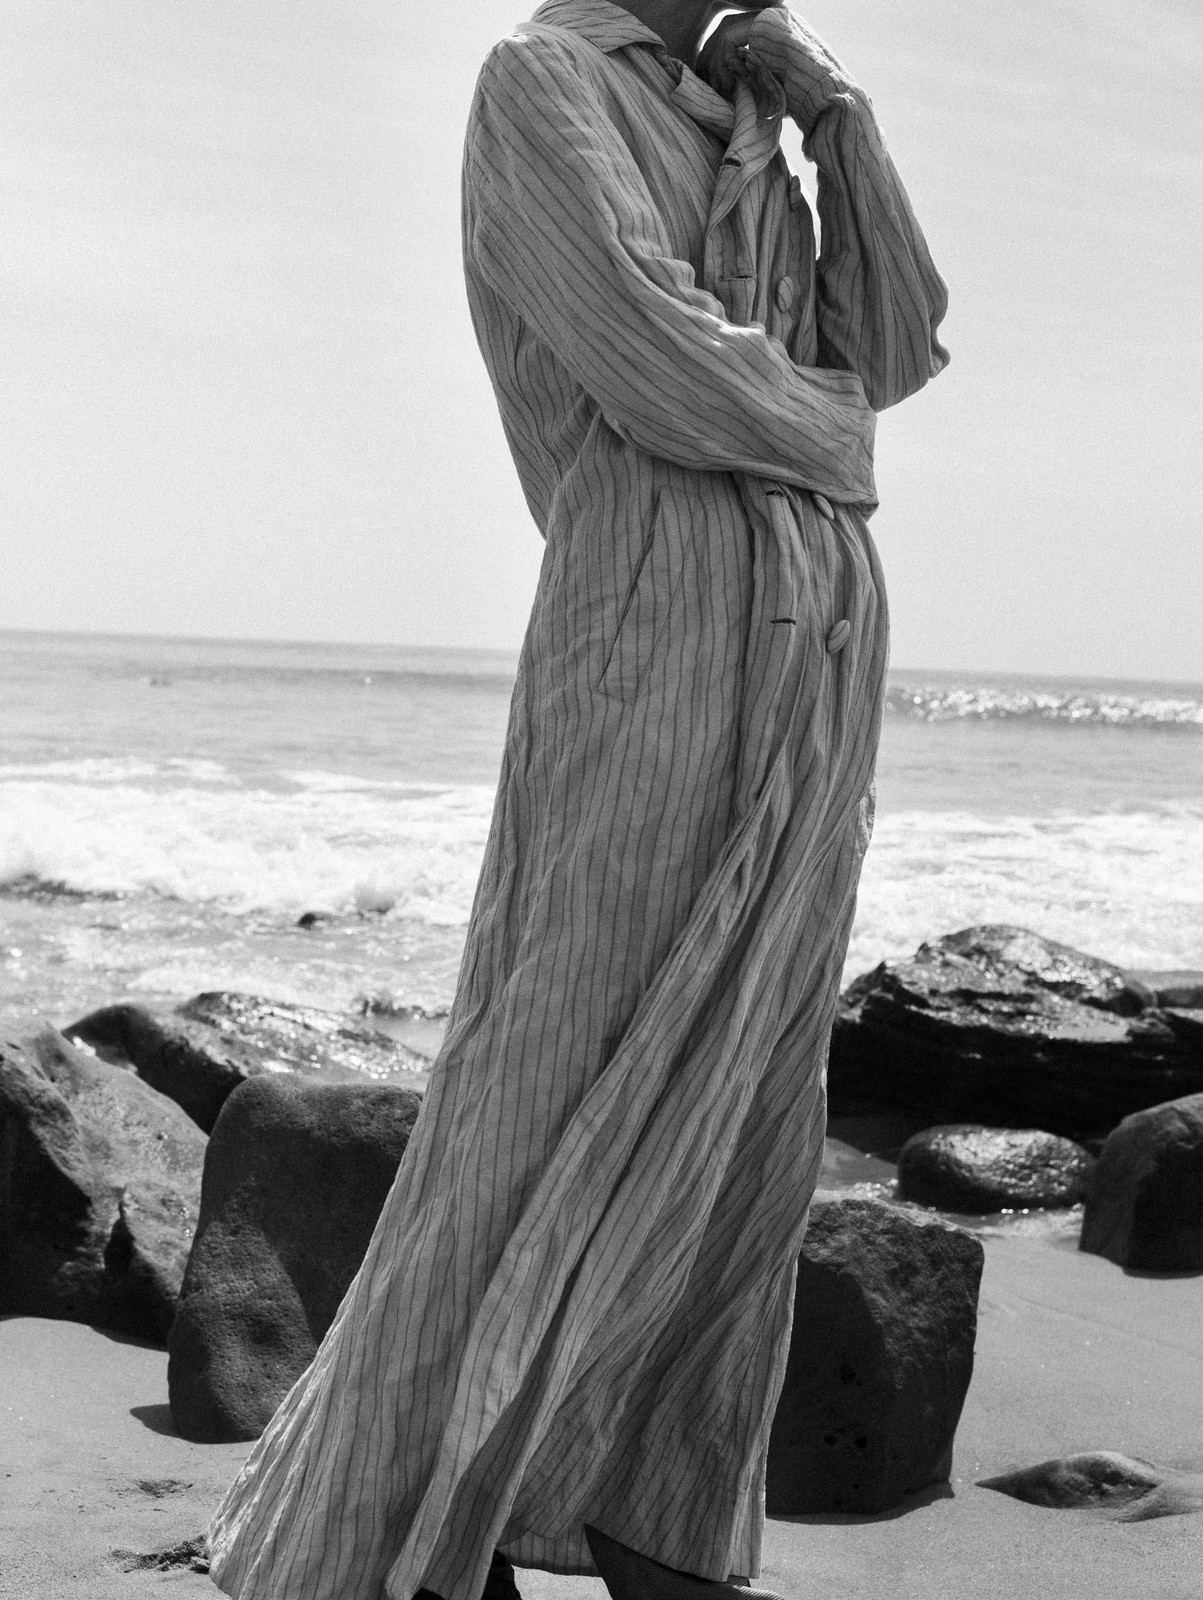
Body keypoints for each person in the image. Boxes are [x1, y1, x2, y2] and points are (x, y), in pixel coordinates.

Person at [206, 3, 948, 1598]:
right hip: (654, 629)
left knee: (748, 1118)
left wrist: (837, 119)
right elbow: (653, 355)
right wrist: (831, 435)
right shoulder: (541, 84)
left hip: (814, 656)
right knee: (542, 1076)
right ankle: (378, 1535)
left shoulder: (762, 124)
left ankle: (655, 1516)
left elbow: (891, 346)